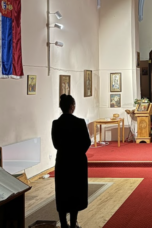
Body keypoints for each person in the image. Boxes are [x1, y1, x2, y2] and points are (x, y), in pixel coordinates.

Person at [51, 94, 91, 228]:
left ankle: (63, 223)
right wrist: (78, 153)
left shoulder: (56, 123)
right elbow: (87, 142)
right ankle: (73, 223)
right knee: (75, 191)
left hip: (62, 161)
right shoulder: (80, 122)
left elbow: (56, 144)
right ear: (72, 107)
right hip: (77, 162)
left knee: (63, 191)